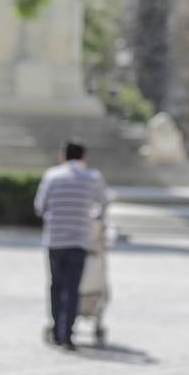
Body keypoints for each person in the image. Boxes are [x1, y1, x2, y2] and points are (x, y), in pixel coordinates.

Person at [34, 141, 108, 351]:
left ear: (63, 156)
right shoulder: (92, 177)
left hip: (55, 239)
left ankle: (57, 329)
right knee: (73, 287)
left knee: (55, 285)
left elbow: (39, 207)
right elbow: (103, 203)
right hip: (79, 239)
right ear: (83, 157)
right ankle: (68, 333)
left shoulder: (52, 176)